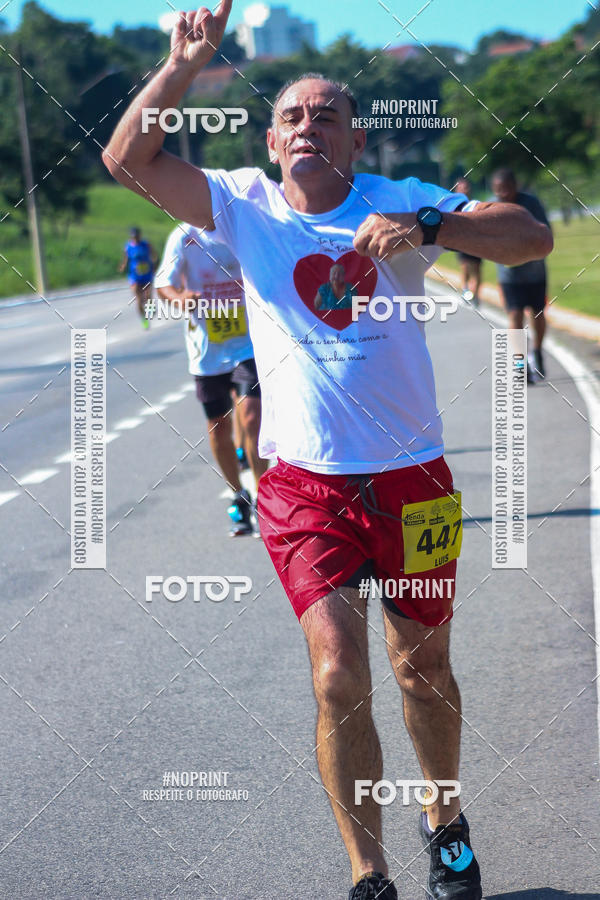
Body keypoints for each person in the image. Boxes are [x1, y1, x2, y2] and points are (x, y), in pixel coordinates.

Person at [102, 6, 552, 896]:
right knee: (339, 674)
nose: (309, 125)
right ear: (273, 142)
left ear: (354, 139)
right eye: (293, 116)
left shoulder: (401, 197)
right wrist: (182, 66)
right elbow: (127, 161)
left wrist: (430, 226)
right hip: (305, 487)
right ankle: (368, 872)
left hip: (413, 479)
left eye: (328, 115)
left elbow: (529, 237)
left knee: (423, 670)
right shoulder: (242, 204)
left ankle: (445, 820)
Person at [154, 225, 268, 535]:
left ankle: (263, 500)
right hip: (207, 351)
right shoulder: (183, 236)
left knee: (252, 417)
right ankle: (238, 495)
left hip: (247, 346)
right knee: (219, 426)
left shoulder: (239, 225)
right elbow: (163, 283)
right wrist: (179, 297)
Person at [491, 168, 552, 381]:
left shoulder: (530, 204)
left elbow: (545, 232)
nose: (503, 193)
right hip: (509, 275)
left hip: (535, 272)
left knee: (537, 313)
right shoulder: (491, 207)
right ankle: (520, 364)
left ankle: (537, 351)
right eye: (499, 189)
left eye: (507, 188)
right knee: (515, 315)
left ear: (515, 186)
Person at [118, 227, 157, 328]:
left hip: (147, 275)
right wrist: (123, 266)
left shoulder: (146, 244)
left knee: (148, 296)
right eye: (133, 236)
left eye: (136, 236)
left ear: (140, 235)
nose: (135, 238)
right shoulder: (128, 247)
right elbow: (126, 259)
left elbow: (154, 255)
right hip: (135, 276)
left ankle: (151, 308)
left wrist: (154, 265)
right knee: (138, 299)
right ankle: (144, 320)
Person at [454, 178, 482, 308]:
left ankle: (475, 295)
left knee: (476, 270)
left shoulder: (475, 204)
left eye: (467, 188)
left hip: (476, 242)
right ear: (457, 190)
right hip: (462, 243)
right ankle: (466, 292)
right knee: (465, 268)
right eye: (462, 188)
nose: (465, 190)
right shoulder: (454, 205)